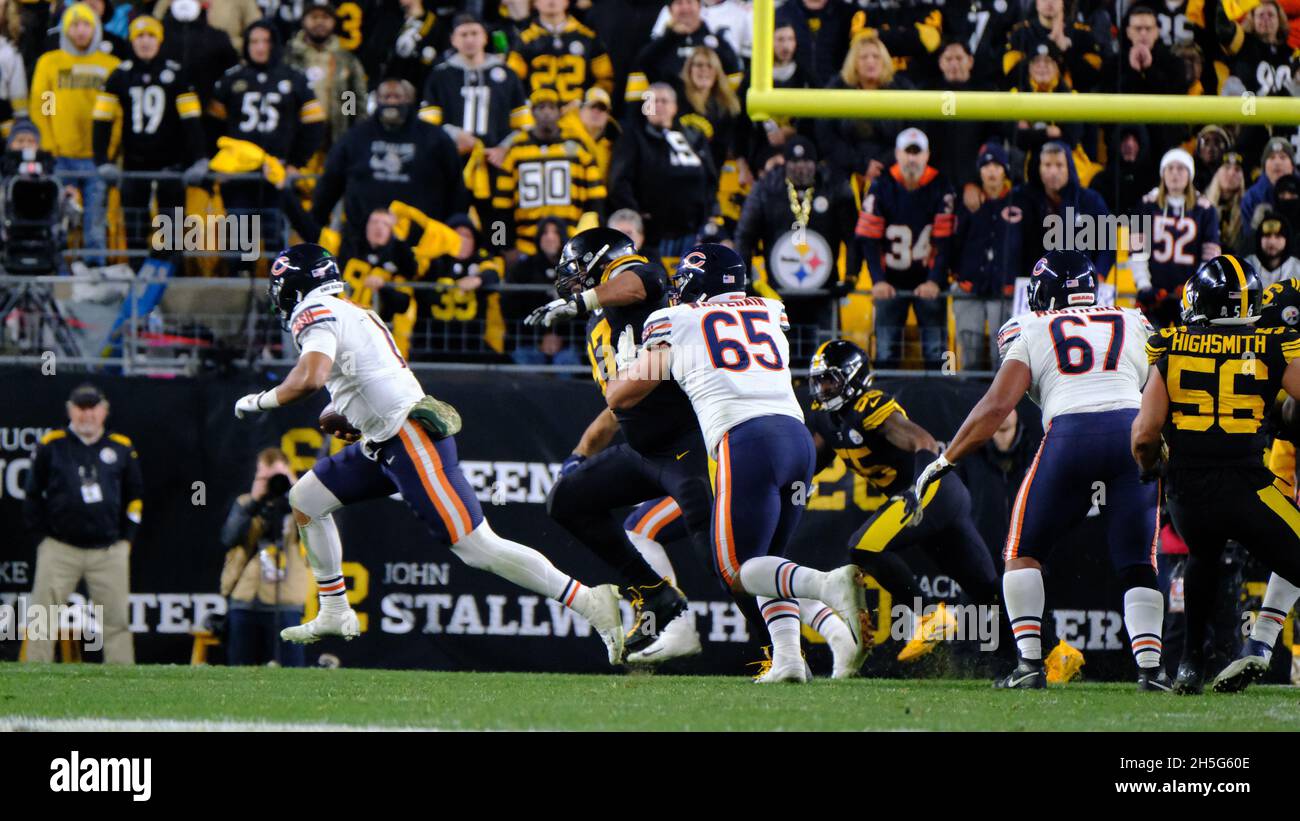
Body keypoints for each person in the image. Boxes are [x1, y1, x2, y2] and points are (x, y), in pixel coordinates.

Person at [231, 243, 625, 663]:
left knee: (478, 547)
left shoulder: (315, 312)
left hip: (407, 435)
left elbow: (309, 378)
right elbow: (367, 378)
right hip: (384, 439)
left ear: (293, 285)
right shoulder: (351, 310)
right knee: (306, 499)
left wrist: (259, 401)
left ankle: (590, 602)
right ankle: (333, 609)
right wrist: (349, 413)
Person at [605, 243, 869, 683]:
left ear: (700, 284)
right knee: (769, 560)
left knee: (735, 570)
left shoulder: (677, 320)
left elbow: (621, 397)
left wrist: (627, 363)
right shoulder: (770, 310)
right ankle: (788, 659)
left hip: (746, 439)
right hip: (795, 437)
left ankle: (826, 586)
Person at [914, 251, 1168, 690]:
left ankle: (1030, 665)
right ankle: (1151, 670)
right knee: (1138, 562)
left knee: (1021, 551)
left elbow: (996, 407)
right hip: (1131, 433)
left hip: (1071, 436)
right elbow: (1167, 380)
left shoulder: (1032, 327)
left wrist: (945, 459)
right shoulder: (1134, 318)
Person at [522, 227, 705, 662]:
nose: (570, 282)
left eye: (575, 272)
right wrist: (579, 455)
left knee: (729, 557)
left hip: (691, 446)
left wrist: (582, 299)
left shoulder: (631, 279)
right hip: (646, 453)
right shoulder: (600, 324)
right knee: (568, 499)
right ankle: (655, 596)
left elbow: (647, 280)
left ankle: (803, 632)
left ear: (601, 258)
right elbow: (616, 405)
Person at [1133, 255, 1300, 693]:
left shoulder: (1168, 343)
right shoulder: (1271, 341)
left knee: (1201, 557)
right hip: (1247, 488)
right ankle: (1258, 643)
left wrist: (1149, 467)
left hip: (1187, 494)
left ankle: (1190, 664)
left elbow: (1145, 434)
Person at [808, 339, 999, 665]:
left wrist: (917, 489)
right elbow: (818, 455)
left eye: (831, 379)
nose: (823, 388)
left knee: (863, 546)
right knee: (983, 587)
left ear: (852, 379)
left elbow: (922, 440)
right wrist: (798, 482)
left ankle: (929, 617)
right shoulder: (831, 419)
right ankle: (1055, 653)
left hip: (931, 492)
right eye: (820, 380)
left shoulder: (869, 406)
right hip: (932, 498)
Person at [22, 384, 142, 664]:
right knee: (42, 618)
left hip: (108, 550)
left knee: (116, 621)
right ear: (70, 410)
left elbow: (135, 497)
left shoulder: (121, 447)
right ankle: (32, 679)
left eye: (92, 408)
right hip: (59, 547)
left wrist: (127, 540)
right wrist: (42, 538)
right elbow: (31, 494)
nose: (87, 414)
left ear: (104, 411)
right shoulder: (52, 444)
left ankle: (125, 684)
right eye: (81, 407)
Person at [92, 15, 207, 270]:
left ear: (160, 39)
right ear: (132, 40)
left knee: (172, 226)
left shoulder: (177, 73)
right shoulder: (119, 75)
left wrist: (199, 158)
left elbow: (192, 121)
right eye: (139, 36)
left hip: (171, 163)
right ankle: (136, 275)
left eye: (150, 36)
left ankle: (170, 278)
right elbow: (101, 121)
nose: (145, 42)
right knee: (134, 224)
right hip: (134, 163)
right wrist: (101, 160)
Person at [208, 20, 325, 271]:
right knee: (239, 240)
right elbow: (212, 126)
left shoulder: (294, 78)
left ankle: (278, 300)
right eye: (254, 41)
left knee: (276, 239)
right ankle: (238, 297)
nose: (260, 47)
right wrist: (217, 161)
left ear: (276, 44)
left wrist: (296, 162)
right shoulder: (232, 78)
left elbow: (315, 124)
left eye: (266, 41)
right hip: (239, 176)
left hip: (276, 172)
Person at [312, 77, 467, 250]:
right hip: (361, 242)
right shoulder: (355, 137)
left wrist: (455, 227)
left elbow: (456, 188)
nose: (391, 102)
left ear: (409, 99)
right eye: (386, 97)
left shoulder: (436, 139)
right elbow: (329, 183)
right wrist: (317, 222)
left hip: (421, 243)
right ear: (376, 99)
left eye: (397, 97)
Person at [734, 136, 859, 348]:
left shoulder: (835, 185)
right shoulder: (766, 188)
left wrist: (851, 275)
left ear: (816, 163)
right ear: (785, 163)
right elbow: (745, 236)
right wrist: (744, 279)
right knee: (781, 352)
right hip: (778, 293)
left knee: (824, 352)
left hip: (824, 292)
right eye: (795, 163)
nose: (801, 169)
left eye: (806, 162)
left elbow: (853, 236)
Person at [856, 127, 956, 370]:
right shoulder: (881, 186)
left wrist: (934, 280)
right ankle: (883, 406)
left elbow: (945, 241)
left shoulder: (941, 185)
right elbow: (868, 240)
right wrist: (878, 280)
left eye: (917, 152)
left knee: (937, 352)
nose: (912, 158)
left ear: (927, 155)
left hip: (928, 280)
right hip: (891, 280)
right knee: (886, 350)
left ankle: (941, 403)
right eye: (907, 152)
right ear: (897, 154)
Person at [29, 3, 120, 267]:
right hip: (60, 156)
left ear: (96, 28)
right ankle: (56, 271)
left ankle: (94, 274)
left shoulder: (110, 65)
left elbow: (117, 112)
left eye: (86, 25)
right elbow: (43, 104)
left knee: (94, 223)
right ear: (66, 29)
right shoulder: (50, 63)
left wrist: (109, 149)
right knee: (57, 222)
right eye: (75, 25)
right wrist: (49, 144)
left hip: (96, 159)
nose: (80, 31)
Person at [219, 448, 309, 667]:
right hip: (245, 600)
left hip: (286, 602)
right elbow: (229, 538)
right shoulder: (245, 504)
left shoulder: (301, 505)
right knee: (239, 673)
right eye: (264, 477)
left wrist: (297, 493)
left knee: (292, 673)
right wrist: (254, 502)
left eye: (277, 477)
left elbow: (316, 540)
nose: (272, 483)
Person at [608, 82, 716, 261]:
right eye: (653, 101)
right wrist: (637, 216)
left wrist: (707, 218)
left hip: (693, 231)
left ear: (674, 107)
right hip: (653, 235)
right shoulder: (631, 137)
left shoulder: (693, 136)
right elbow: (619, 182)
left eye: (664, 101)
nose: (658, 105)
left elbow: (711, 179)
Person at [491, 88, 605, 257]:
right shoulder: (516, 150)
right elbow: (500, 208)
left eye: (551, 107)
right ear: (532, 113)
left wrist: (593, 243)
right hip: (526, 248)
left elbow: (596, 202)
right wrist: (502, 249)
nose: (546, 113)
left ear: (560, 112)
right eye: (541, 107)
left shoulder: (578, 147)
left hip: (573, 246)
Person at [1130, 148, 1221, 327]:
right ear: (1162, 173)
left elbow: (1210, 256)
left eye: (1181, 168)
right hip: (1154, 296)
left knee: (1189, 349)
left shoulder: (1205, 209)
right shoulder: (1146, 204)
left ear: (1190, 174)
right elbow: (1136, 250)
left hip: (1189, 298)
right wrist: (1144, 285)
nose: (1175, 174)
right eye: (1170, 168)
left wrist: (1195, 287)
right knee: (1149, 348)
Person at [420, 13, 530, 160]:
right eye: (463, 35)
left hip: (498, 161)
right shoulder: (440, 76)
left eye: (474, 33)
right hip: (452, 159)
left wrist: (504, 148)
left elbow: (524, 125)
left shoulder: (508, 74)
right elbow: (427, 124)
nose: (469, 40)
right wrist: (455, 135)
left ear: (485, 37)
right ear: (453, 40)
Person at [953, 142, 1023, 370]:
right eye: (986, 166)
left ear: (1005, 169)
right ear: (979, 171)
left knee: (1003, 358)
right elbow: (953, 241)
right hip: (969, 288)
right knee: (969, 354)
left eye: (996, 165)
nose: (991, 171)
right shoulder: (965, 201)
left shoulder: (1021, 200)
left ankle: (1005, 406)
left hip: (1004, 291)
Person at [815, 32, 906, 183]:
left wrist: (881, 164)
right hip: (844, 173)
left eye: (876, 57)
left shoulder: (901, 88)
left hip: (893, 169)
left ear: (884, 61)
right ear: (853, 63)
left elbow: (912, 131)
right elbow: (827, 136)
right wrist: (861, 165)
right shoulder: (836, 88)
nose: (870, 62)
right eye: (863, 57)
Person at [1015, 140, 1115, 279]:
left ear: (1070, 168)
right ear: (1039, 168)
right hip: (1040, 284)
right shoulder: (1025, 200)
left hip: (1080, 283)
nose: (1053, 172)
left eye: (1059, 165)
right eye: (1047, 165)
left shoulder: (1090, 200)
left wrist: (1099, 274)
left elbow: (1109, 242)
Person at [285, 0, 369, 153]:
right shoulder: (288, 57)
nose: (319, 22)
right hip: (295, 137)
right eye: (314, 17)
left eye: (325, 17)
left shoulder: (346, 60)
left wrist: (349, 127)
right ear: (303, 20)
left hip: (333, 140)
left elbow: (351, 96)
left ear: (334, 22)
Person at [623, 0, 743, 106]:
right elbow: (642, 66)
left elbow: (733, 71)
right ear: (670, 10)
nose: (685, 8)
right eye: (679, 3)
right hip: (666, 115)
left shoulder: (716, 43)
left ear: (699, 7)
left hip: (707, 116)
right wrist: (671, 36)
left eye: (689, 2)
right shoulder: (658, 46)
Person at [507, 0, 614, 107]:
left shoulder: (588, 37)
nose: (551, 1)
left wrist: (586, 103)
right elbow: (512, 80)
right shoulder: (524, 41)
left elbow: (605, 78)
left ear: (567, 2)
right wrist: (528, 104)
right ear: (534, 3)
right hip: (538, 116)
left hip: (580, 117)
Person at [1003, 0, 1103, 92]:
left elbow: (1094, 78)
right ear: (1037, 3)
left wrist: (1067, 51)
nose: (1049, 3)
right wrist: (1045, 48)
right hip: (1029, 102)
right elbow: (1009, 76)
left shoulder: (1081, 33)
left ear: (1062, 2)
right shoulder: (1021, 33)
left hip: (1072, 104)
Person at [1241, 137, 1297, 247]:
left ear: (1292, 165)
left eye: (1283, 157)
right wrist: (1255, 227)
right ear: (1264, 166)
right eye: (1271, 158)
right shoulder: (1251, 197)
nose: (1277, 163)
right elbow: (1247, 242)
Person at [1207, 151, 1248, 254]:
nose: (1231, 173)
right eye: (1226, 167)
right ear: (1217, 172)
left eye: (1237, 170)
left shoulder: (1248, 208)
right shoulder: (1202, 205)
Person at [1247, 214, 1300, 284]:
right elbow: (1231, 295)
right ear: (1259, 239)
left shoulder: (1297, 267)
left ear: (1287, 239)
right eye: (1267, 235)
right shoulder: (1246, 265)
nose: (1272, 241)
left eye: (1278, 236)